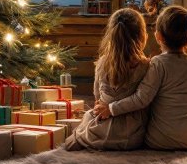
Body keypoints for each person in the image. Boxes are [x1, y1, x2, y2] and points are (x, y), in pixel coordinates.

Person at [94, 0, 187, 150]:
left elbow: (142, 98)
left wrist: (111, 108)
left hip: (158, 140)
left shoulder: (156, 64)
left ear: (158, 36)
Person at [64, 8, 150, 151]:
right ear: (143, 37)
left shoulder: (102, 63)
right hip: (131, 135)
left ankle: (86, 138)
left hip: (99, 126)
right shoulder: (146, 66)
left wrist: (107, 106)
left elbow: (97, 96)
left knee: (75, 135)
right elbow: (146, 99)